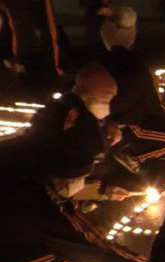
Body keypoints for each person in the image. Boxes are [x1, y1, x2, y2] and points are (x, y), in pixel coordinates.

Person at [0, 83, 147, 262]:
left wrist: (100, 191)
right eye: (83, 171)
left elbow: (53, 189)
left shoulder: (21, 153)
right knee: (59, 250)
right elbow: (91, 245)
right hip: (18, 221)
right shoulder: (29, 198)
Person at [0, 61, 130, 201]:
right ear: (92, 92)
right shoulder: (73, 118)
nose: (109, 102)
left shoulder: (72, 112)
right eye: (107, 96)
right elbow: (72, 160)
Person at [98, 7, 165, 171]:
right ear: (132, 35)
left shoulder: (99, 62)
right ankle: (132, 156)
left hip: (102, 122)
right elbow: (154, 103)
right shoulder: (137, 65)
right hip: (128, 125)